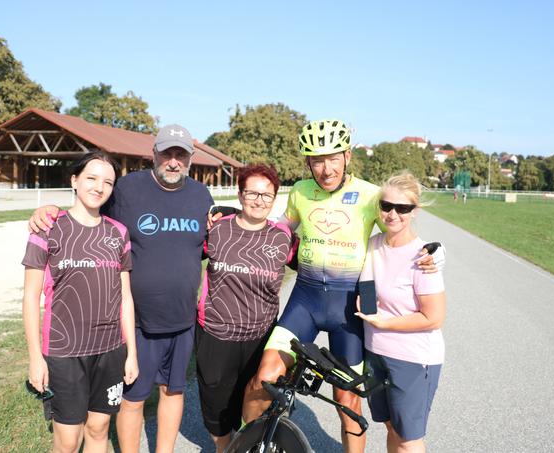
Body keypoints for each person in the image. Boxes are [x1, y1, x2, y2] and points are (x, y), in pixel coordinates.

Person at [240, 119, 443, 453]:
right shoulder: (301, 192)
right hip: (304, 300)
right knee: (264, 377)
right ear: (307, 162)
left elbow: (400, 234)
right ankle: (248, 444)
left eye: (333, 157)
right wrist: (231, 219)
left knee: (347, 400)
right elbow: (275, 229)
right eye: (317, 160)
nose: (325, 168)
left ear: (347, 156)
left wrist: (438, 254)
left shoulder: (369, 195)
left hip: (348, 309)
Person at [28, 125, 214, 453]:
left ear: (190, 158)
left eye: (181, 155)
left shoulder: (201, 196)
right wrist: (50, 210)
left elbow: (208, 242)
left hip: (181, 319)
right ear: (154, 154)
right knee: (133, 398)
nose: (173, 161)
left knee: (174, 392)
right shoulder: (127, 188)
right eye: (167, 153)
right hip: (136, 322)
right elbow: (88, 207)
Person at [22, 152, 138, 453]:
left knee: (99, 429)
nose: (99, 187)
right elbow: (31, 298)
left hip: (110, 350)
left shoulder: (118, 233)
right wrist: (36, 358)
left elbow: (125, 296)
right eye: (91, 178)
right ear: (74, 180)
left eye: (108, 182)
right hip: (64, 352)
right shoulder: (48, 228)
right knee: (68, 440)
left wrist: (131, 353)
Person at [196, 164, 297, 452]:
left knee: (254, 405)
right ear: (240, 195)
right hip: (216, 334)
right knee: (217, 410)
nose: (259, 200)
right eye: (252, 193)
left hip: (260, 337)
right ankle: (225, 448)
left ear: (275, 199)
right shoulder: (216, 229)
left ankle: (249, 445)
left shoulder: (283, 237)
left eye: (267, 195)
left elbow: (316, 266)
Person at [355, 171, 446, 453]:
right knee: (392, 427)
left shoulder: (423, 257)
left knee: (408, 440)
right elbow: (367, 290)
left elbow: (434, 317)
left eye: (402, 208)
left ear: (414, 211)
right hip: (376, 353)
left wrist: (384, 322)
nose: (393, 214)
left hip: (413, 358)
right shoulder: (372, 245)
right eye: (386, 206)